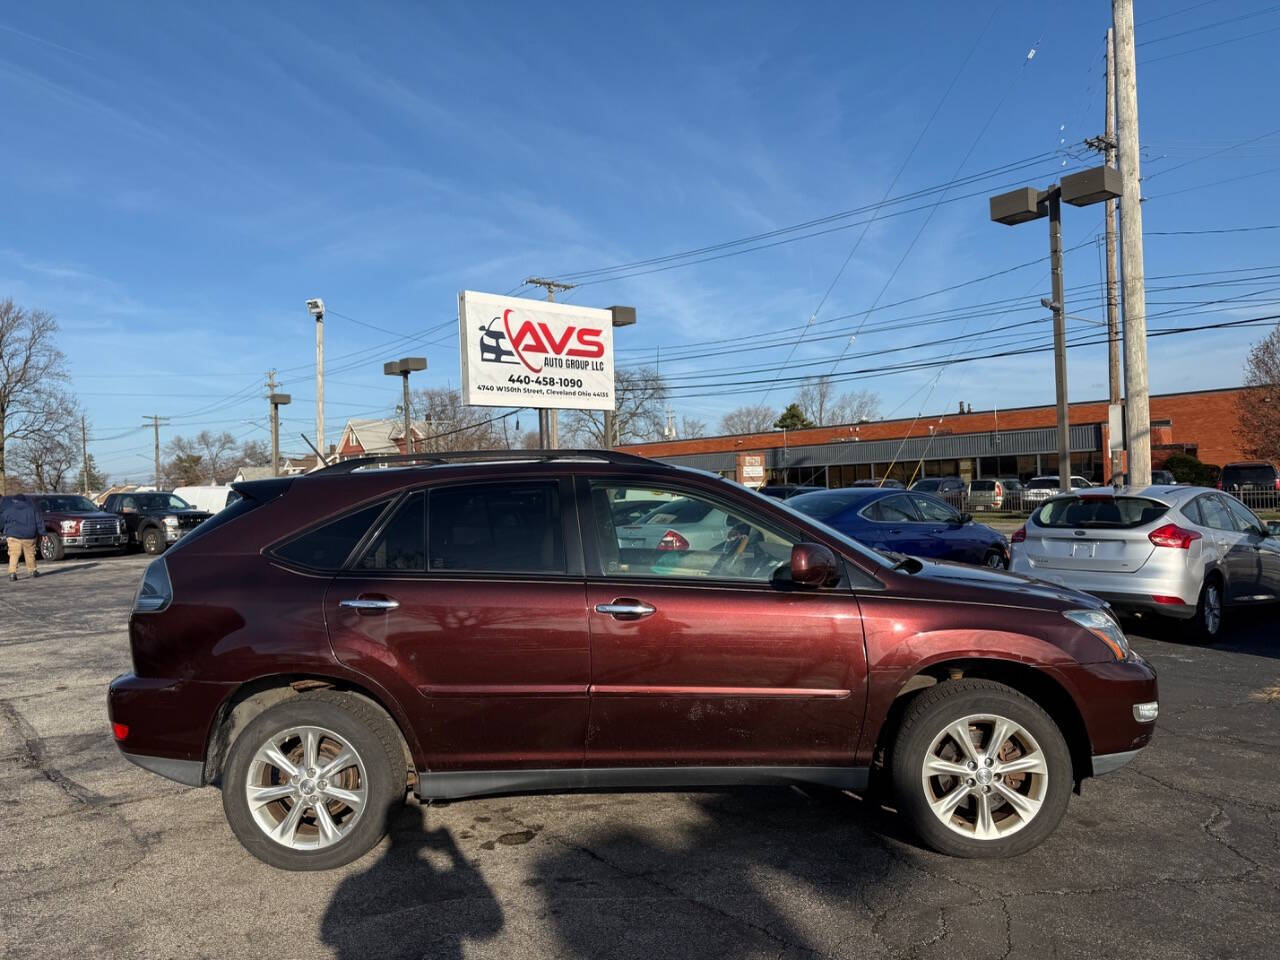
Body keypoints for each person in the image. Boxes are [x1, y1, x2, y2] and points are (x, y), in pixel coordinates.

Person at [1, 494, 43, 581]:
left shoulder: (8, 510)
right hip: (29, 535)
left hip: (13, 535)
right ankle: (33, 571)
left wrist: (3, 530)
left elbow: (1, 522)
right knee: (30, 553)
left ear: (14, 501)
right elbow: (39, 522)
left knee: (14, 554)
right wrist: (43, 533)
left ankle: (12, 573)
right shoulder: (32, 509)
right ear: (24, 501)